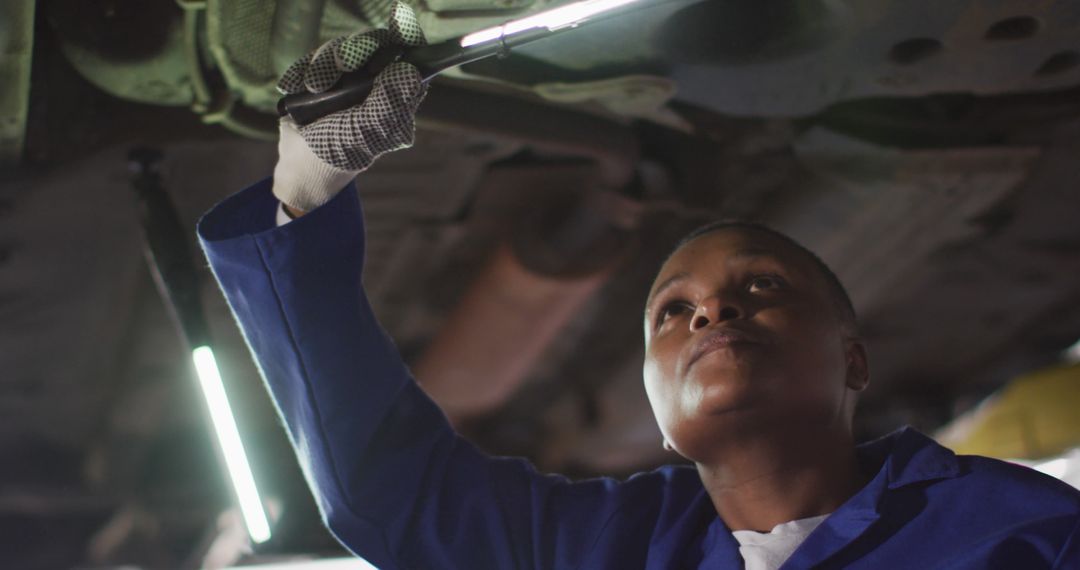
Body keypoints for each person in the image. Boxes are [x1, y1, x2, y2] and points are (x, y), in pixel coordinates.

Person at [197, 4, 1080, 568]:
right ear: (657, 409)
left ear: (854, 359)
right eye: (671, 313)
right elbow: (389, 495)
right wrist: (304, 192)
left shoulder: (1022, 532)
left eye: (763, 285)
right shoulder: (595, 547)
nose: (711, 310)